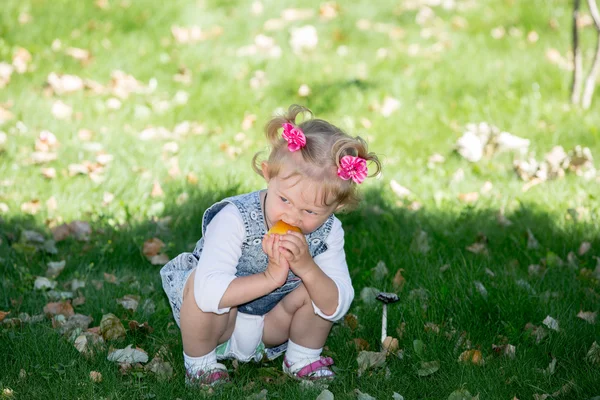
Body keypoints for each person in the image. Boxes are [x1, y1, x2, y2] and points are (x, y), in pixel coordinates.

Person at [160, 104, 381, 386]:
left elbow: (337, 305)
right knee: (198, 283)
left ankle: (301, 358)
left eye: (310, 212)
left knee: (318, 287)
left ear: (335, 207)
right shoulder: (235, 218)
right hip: (219, 323)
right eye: (285, 200)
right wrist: (269, 278)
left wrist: (307, 268)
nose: (292, 217)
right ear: (268, 174)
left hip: (272, 326)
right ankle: (201, 364)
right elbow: (207, 294)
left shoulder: (329, 232)